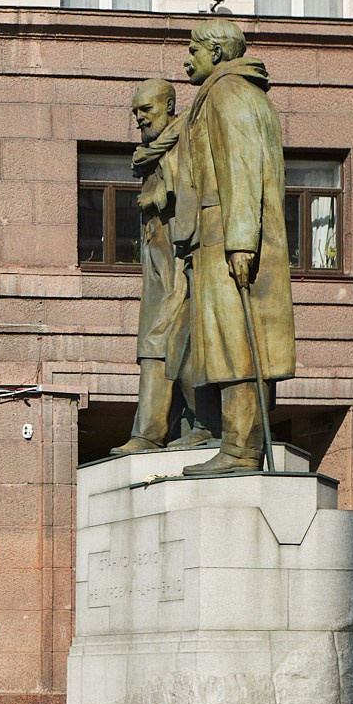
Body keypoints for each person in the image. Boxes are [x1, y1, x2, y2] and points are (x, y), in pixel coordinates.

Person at [173, 19, 298, 476]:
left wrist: (241, 242)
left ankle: (241, 451)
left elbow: (241, 168)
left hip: (230, 236)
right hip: (224, 234)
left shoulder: (228, 94)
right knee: (242, 344)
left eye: (193, 49)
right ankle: (239, 445)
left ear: (218, 51)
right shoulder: (234, 93)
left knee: (240, 345)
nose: (187, 58)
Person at [111, 79, 212, 454]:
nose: (139, 118)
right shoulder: (152, 149)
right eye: (135, 111)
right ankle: (156, 431)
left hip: (184, 259)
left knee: (173, 342)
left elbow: (202, 183)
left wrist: (163, 193)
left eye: (146, 110)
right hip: (157, 261)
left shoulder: (188, 134)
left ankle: (194, 425)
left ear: (169, 105)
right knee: (153, 345)